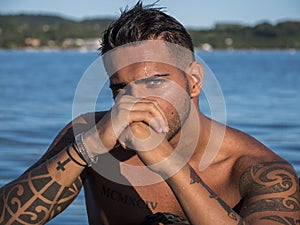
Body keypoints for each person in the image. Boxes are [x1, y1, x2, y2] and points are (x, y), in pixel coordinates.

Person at [1, 2, 299, 225]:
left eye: (155, 81)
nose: (135, 100)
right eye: (121, 89)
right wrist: (87, 149)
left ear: (193, 81)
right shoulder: (91, 136)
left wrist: (166, 162)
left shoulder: (261, 172)